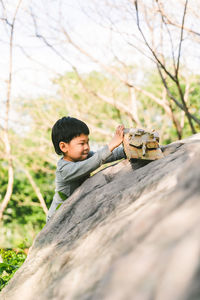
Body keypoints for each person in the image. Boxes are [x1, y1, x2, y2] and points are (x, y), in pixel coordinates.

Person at [46, 116, 126, 223]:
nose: (87, 147)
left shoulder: (85, 156)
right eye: (81, 143)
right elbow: (94, 162)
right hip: (58, 217)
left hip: (76, 209)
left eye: (87, 142)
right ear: (64, 147)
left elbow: (106, 156)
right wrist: (111, 144)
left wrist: (126, 150)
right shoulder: (64, 169)